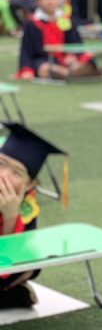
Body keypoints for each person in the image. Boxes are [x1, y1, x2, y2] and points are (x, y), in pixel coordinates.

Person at [0, 124, 68, 309]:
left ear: (30, 185)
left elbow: (10, 259)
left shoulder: (25, 207)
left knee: (30, 264)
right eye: (0, 164)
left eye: (16, 173)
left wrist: (10, 215)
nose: (3, 175)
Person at [17, 0, 101, 81]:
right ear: (38, 1)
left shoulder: (66, 19)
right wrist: (27, 69)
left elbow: (76, 42)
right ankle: (70, 73)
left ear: (59, 0)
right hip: (45, 59)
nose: (50, 1)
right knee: (44, 69)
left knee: (87, 61)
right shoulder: (32, 22)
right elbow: (26, 49)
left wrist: (72, 56)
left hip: (67, 58)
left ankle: (66, 73)